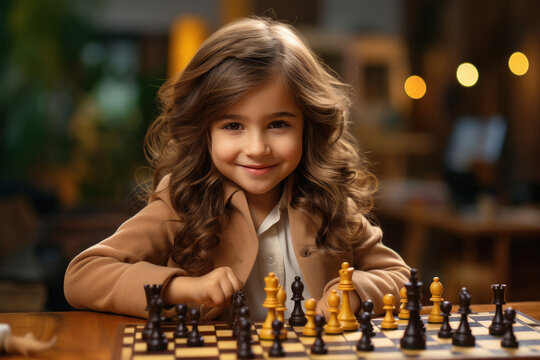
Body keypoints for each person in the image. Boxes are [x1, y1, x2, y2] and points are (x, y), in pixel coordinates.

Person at [64, 16, 409, 320]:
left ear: (309, 126)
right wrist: (183, 288)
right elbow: (82, 276)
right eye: (233, 126)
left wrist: (355, 290)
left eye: (278, 124)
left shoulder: (329, 203)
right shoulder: (181, 202)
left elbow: (401, 276)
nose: (257, 149)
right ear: (205, 131)